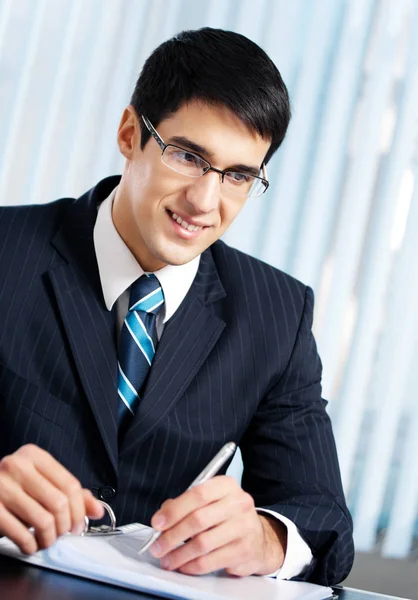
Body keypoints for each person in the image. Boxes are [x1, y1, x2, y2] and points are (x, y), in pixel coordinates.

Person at [0, 27, 354, 585]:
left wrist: (266, 538)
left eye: (238, 175)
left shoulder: (277, 316)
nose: (204, 202)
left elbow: (324, 520)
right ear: (128, 134)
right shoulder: (6, 251)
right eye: (188, 156)